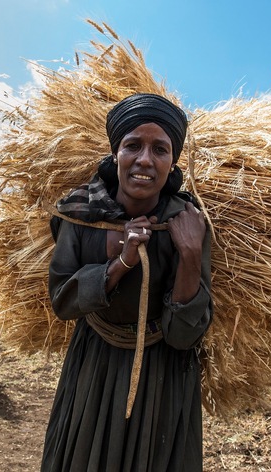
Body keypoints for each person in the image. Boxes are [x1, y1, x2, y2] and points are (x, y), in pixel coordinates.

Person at [41, 93, 213, 472]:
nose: (145, 160)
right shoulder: (80, 214)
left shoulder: (187, 223)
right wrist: (121, 262)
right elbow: (62, 301)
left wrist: (189, 255)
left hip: (163, 376)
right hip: (93, 366)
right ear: (115, 153)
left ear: (173, 162)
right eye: (132, 146)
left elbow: (184, 336)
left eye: (161, 150)